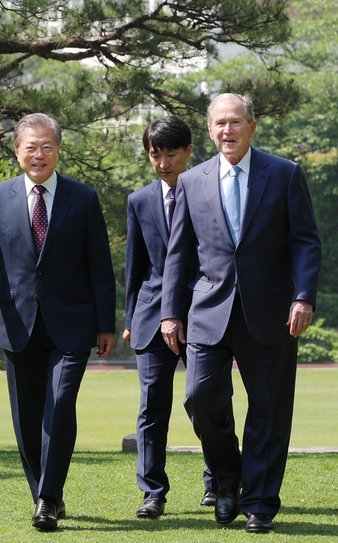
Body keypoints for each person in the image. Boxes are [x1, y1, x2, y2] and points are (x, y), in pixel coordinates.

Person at [161, 93, 321, 534]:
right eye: (219, 124)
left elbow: (305, 242)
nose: (227, 131)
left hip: (271, 311)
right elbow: (178, 254)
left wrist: (303, 297)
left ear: (252, 126)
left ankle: (260, 504)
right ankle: (227, 479)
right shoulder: (191, 181)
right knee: (199, 397)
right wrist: (169, 313)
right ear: (209, 130)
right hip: (208, 310)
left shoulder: (285, 174)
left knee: (269, 410)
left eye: (235, 122)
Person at [0, 113, 116, 532]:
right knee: (27, 419)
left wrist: (105, 324)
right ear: (16, 151)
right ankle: (45, 494)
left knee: (60, 407)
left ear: (58, 150)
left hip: (73, 324)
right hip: (18, 324)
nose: (39, 154)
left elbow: (100, 266)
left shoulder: (83, 198)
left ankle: (47, 499)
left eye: (47, 146)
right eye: (31, 146)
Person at [123, 116, 215, 520]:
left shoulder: (210, 192)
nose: (162, 163)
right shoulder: (139, 200)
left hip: (202, 313)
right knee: (151, 408)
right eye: (154, 155)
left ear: (189, 152)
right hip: (150, 316)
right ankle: (153, 492)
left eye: (170, 154)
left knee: (207, 401)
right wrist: (129, 318)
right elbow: (135, 267)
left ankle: (217, 481)